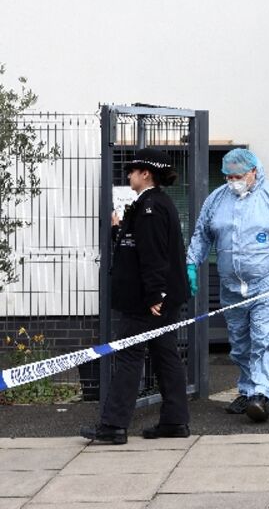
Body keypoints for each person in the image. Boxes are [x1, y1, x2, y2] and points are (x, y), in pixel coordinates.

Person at [80, 148, 191, 445]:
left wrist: (155, 294)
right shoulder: (151, 204)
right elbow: (137, 246)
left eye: (132, 170)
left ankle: (113, 425)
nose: (128, 175)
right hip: (156, 297)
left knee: (129, 355)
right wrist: (119, 231)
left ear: (146, 173)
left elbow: (154, 256)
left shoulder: (152, 207)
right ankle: (175, 421)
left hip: (146, 301)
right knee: (165, 355)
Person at [187, 148, 269, 423]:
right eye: (228, 176)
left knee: (263, 337)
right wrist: (192, 263)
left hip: (267, 280)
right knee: (239, 341)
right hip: (231, 283)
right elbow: (202, 234)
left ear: (253, 171)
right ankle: (248, 390)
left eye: (238, 175)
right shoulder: (217, 199)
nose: (233, 181)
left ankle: (262, 395)